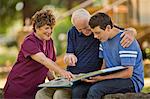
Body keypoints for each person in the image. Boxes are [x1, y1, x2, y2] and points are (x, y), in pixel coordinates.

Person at [35, 8, 137, 99]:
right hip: (72, 76)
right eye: (80, 29)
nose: (85, 32)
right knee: (41, 94)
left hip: (89, 76)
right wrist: (68, 56)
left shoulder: (99, 30)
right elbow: (69, 53)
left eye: (87, 27)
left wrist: (132, 32)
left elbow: (118, 31)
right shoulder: (72, 32)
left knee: (60, 95)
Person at [3, 9, 74, 99]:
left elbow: (47, 67)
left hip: (34, 90)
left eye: (51, 28)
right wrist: (63, 72)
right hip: (18, 88)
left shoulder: (49, 42)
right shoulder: (29, 41)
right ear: (37, 27)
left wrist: (56, 82)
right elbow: (43, 60)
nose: (50, 31)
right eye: (47, 28)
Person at [83, 12, 144, 99]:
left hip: (131, 81)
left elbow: (128, 73)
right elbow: (104, 65)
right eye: (93, 33)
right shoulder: (103, 40)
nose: (95, 36)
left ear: (108, 28)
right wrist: (96, 77)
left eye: (98, 33)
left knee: (95, 90)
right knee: (83, 88)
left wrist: (102, 79)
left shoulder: (125, 40)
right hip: (114, 78)